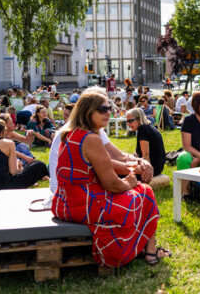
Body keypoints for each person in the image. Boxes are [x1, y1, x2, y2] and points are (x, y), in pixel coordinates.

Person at [52, 91, 170, 267]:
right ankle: (148, 250)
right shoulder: (90, 138)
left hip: (64, 201)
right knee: (145, 192)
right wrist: (129, 183)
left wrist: (138, 164)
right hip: (83, 202)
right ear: (87, 112)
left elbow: (110, 161)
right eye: (102, 109)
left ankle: (146, 247)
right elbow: (112, 184)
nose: (108, 112)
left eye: (109, 108)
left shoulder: (72, 132)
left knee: (139, 190)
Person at [126, 108, 165, 177]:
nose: (128, 124)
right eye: (127, 121)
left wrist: (147, 173)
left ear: (139, 119)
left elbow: (146, 155)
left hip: (152, 169)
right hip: (158, 168)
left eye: (131, 121)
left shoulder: (142, 129)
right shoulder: (150, 127)